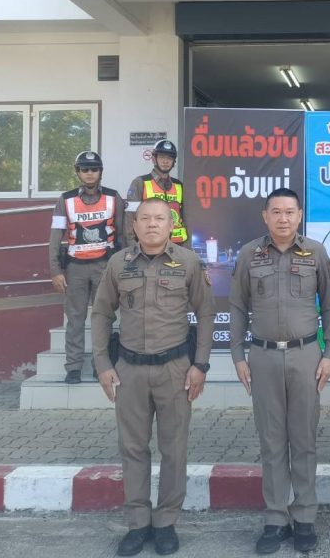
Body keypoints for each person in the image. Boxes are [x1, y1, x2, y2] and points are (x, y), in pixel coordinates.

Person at [91, 198, 215, 557]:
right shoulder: (119, 263)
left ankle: (165, 522)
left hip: (175, 369)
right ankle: (138, 522)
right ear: (134, 225)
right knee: (132, 448)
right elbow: (101, 313)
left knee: (173, 448)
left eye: (160, 218)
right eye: (144, 218)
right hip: (129, 369)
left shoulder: (187, 262)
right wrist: (102, 364)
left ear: (171, 224)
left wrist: (200, 365)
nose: (152, 224)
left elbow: (206, 313)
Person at [229, 187, 330, 555]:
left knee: (304, 439)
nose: (283, 218)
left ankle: (304, 517)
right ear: (265, 216)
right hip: (262, 357)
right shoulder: (249, 254)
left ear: (299, 215)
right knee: (272, 440)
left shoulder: (316, 252)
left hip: (306, 355)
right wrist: (238, 355)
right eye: (276, 211)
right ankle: (276, 518)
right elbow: (237, 306)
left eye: (289, 212)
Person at [48, 150, 125, 384]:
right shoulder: (65, 200)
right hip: (76, 268)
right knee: (75, 319)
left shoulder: (113, 197)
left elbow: (123, 236)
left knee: (103, 318)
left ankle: (100, 366)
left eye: (94, 169)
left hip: (104, 266)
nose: (89, 173)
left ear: (100, 172)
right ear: (78, 172)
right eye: (84, 169)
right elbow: (55, 237)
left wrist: (124, 267)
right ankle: (73, 367)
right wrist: (55, 271)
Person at [126, 139, 188, 247]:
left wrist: (186, 248)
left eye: (169, 158)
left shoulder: (179, 185)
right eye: (162, 157)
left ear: (174, 162)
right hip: (149, 246)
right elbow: (130, 218)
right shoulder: (140, 183)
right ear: (154, 159)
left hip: (177, 246)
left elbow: (186, 218)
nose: (166, 161)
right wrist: (133, 247)